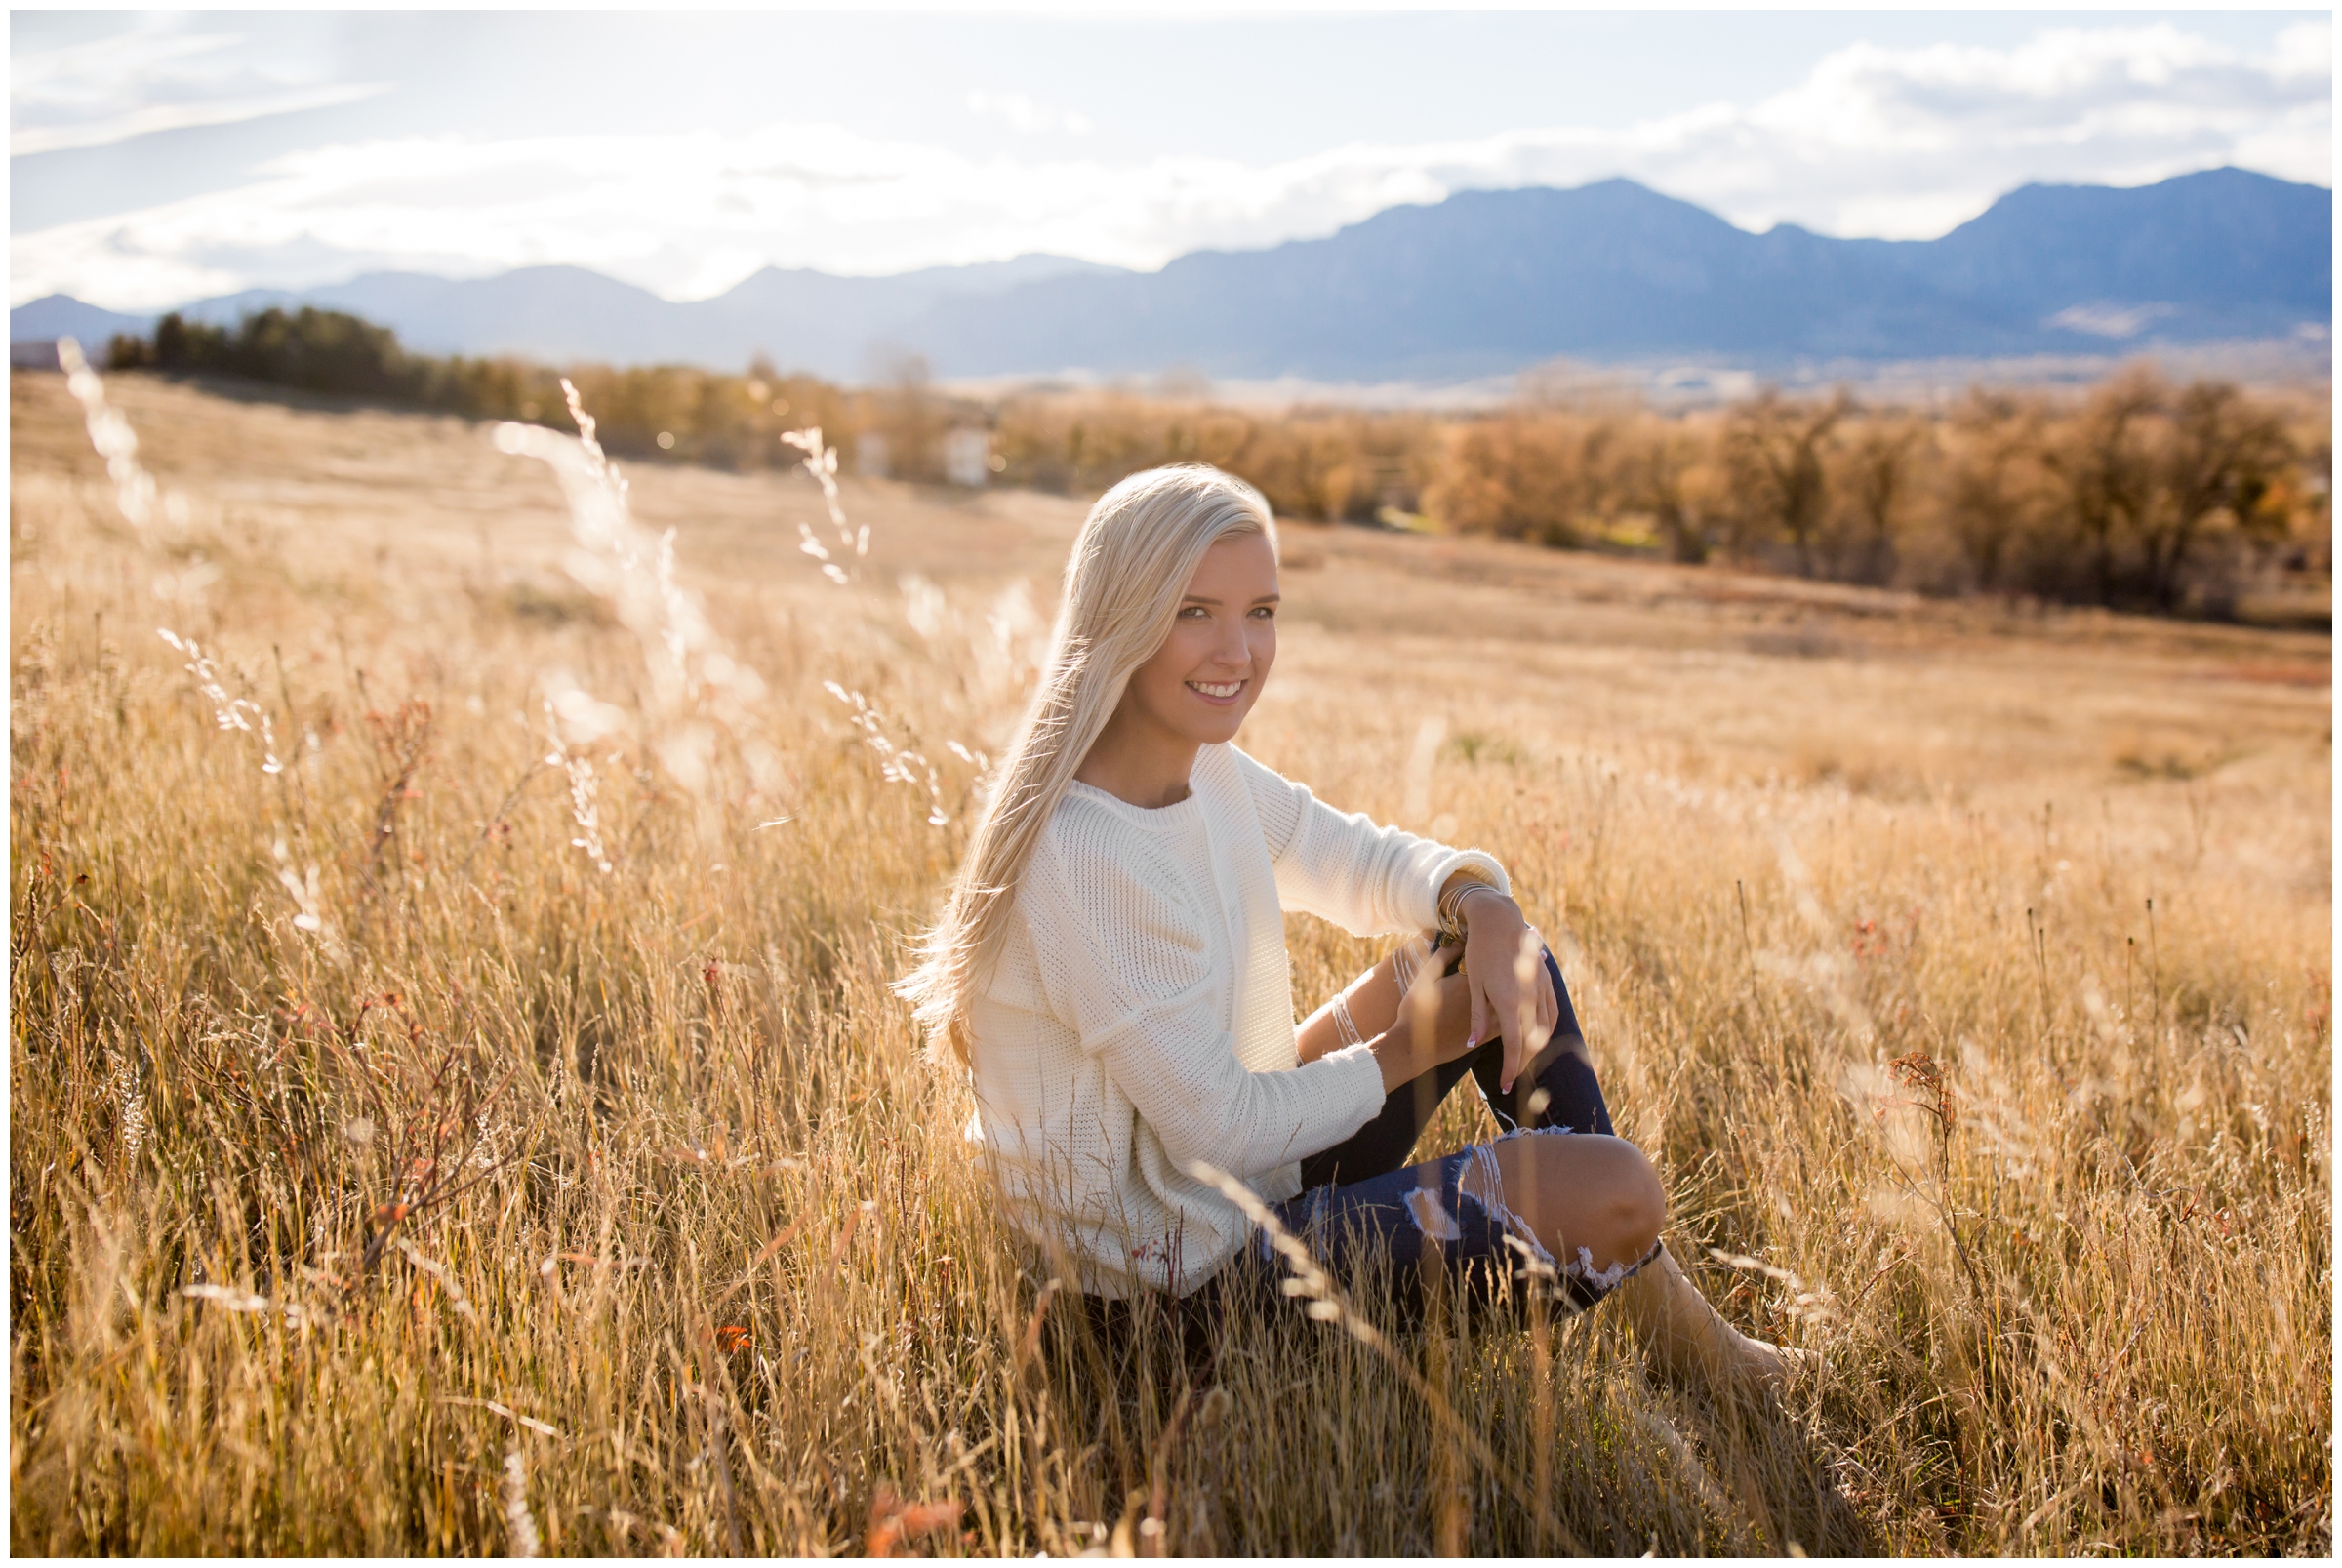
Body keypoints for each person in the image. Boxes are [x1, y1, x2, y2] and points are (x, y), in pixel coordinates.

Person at [901, 464, 1796, 1388]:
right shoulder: (1086, 855)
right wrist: (1412, 1045)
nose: (1239, 651)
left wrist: (1480, 903)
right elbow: (1222, 1130)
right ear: (1121, 615)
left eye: (1263, 611)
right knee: (1619, 1189)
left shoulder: (1209, 774)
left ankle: (1668, 1321)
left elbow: (1366, 862)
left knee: (1492, 959)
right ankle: (1633, 1265)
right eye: (1194, 611)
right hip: (1163, 1298)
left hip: (1226, 1194)